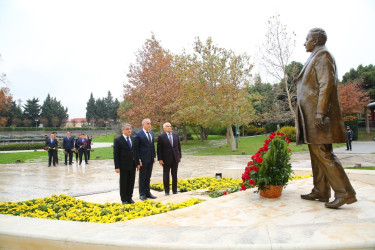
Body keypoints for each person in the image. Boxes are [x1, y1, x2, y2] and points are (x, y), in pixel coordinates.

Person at [296, 28, 356, 209]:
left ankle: (345, 192)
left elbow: (326, 84)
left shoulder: (323, 56)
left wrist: (320, 113)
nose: (304, 43)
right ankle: (321, 190)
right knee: (316, 152)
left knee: (323, 152)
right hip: (312, 115)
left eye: (306, 39)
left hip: (318, 116)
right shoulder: (316, 56)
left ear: (314, 40)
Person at [113, 123, 140, 204]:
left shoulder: (133, 139)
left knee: (131, 182)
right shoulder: (118, 140)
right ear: (123, 130)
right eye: (127, 129)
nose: (129, 130)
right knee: (124, 182)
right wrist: (117, 167)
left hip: (132, 164)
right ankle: (124, 199)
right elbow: (116, 154)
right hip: (123, 165)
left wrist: (137, 163)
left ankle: (129, 198)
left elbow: (136, 152)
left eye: (130, 129)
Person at [134, 118, 157, 201]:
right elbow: (136, 149)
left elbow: (152, 146)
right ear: (143, 124)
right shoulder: (138, 134)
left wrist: (154, 156)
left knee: (148, 176)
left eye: (150, 123)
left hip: (150, 159)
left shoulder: (151, 133)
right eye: (147, 123)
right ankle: (142, 194)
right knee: (142, 177)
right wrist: (138, 159)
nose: (149, 125)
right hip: (143, 160)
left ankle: (148, 192)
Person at [157, 122, 181, 196]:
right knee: (166, 175)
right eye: (167, 126)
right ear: (164, 128)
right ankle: (167, 191)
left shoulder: (175, 135)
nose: (169, 127)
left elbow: (178, 146)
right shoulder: (161, 137)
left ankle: (175, 190)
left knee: (174, 174)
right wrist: (160, 159)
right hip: (166, 159)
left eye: (170, 126)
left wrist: (179, 156)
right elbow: (159, 149)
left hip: (175, 158)